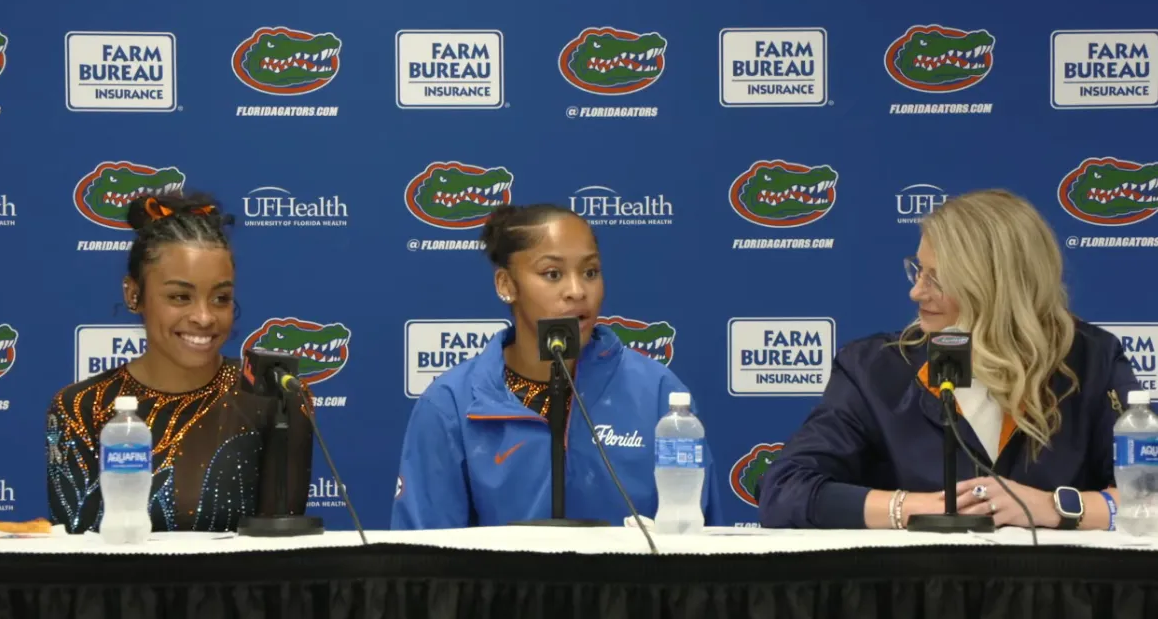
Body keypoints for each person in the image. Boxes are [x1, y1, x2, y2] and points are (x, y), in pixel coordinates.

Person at [756, 189, 1140, 530]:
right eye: (918, 271)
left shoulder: (1092, 360)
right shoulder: (873, 369)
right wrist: (915, 508)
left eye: (938, 279)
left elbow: (1148, 492)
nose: (917, 293)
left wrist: (1054, 508)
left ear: (997, 286)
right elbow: (784, 490)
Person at [390, 203, 723, 529]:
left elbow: (701, 544)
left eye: (590, 272)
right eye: (553, 274)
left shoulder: (659, 394)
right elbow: (424, 557)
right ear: (506, 285)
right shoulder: (452, 404)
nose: (577, 291)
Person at [46, 193, 315, 533]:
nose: (204, 317)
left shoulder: (275, 400)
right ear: (133, 295)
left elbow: (281, 552)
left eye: (221, 298)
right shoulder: (82, 407)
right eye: (180, 297)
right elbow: (72, 556)